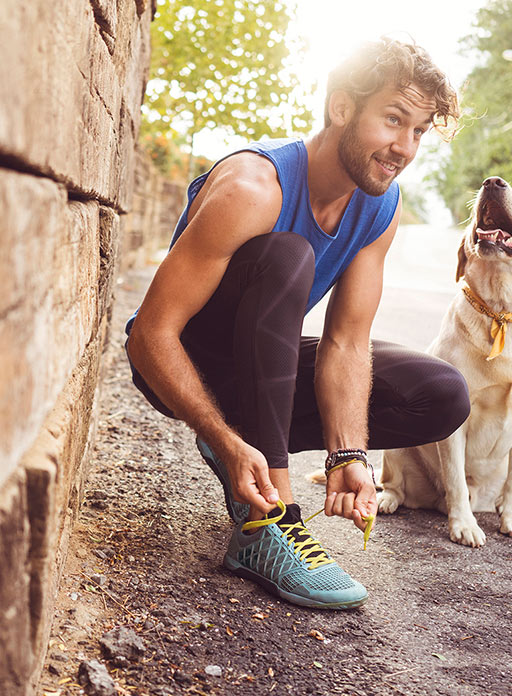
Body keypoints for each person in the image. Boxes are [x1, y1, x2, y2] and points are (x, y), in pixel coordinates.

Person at [125, 37, 470, 610]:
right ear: (341, 108)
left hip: (263, 363)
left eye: (418, 131)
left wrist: (348, 455)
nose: (404, 147)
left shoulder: (380, 206)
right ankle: (270, 523)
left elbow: (346, 342)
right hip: (185, 361)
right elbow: (148, 336)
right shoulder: (253, 187)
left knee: (440, 395)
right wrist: (221, 436)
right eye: (393, 120)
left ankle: (256, 449)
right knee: (289, 257)